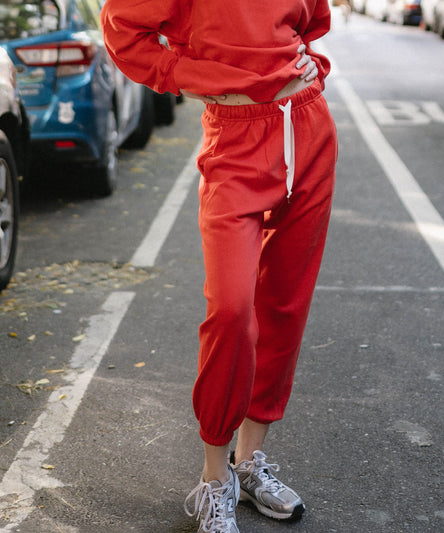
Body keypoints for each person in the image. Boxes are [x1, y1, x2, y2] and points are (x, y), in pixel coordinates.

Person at [100, 1, 337, 531]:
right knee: (232, 312)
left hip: (309, 127)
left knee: (285, 307)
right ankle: (214, 479)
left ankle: (249, 463)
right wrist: (187, 74)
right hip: (234, 139)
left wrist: (309, 62)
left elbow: (311, 23)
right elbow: (122, 30)